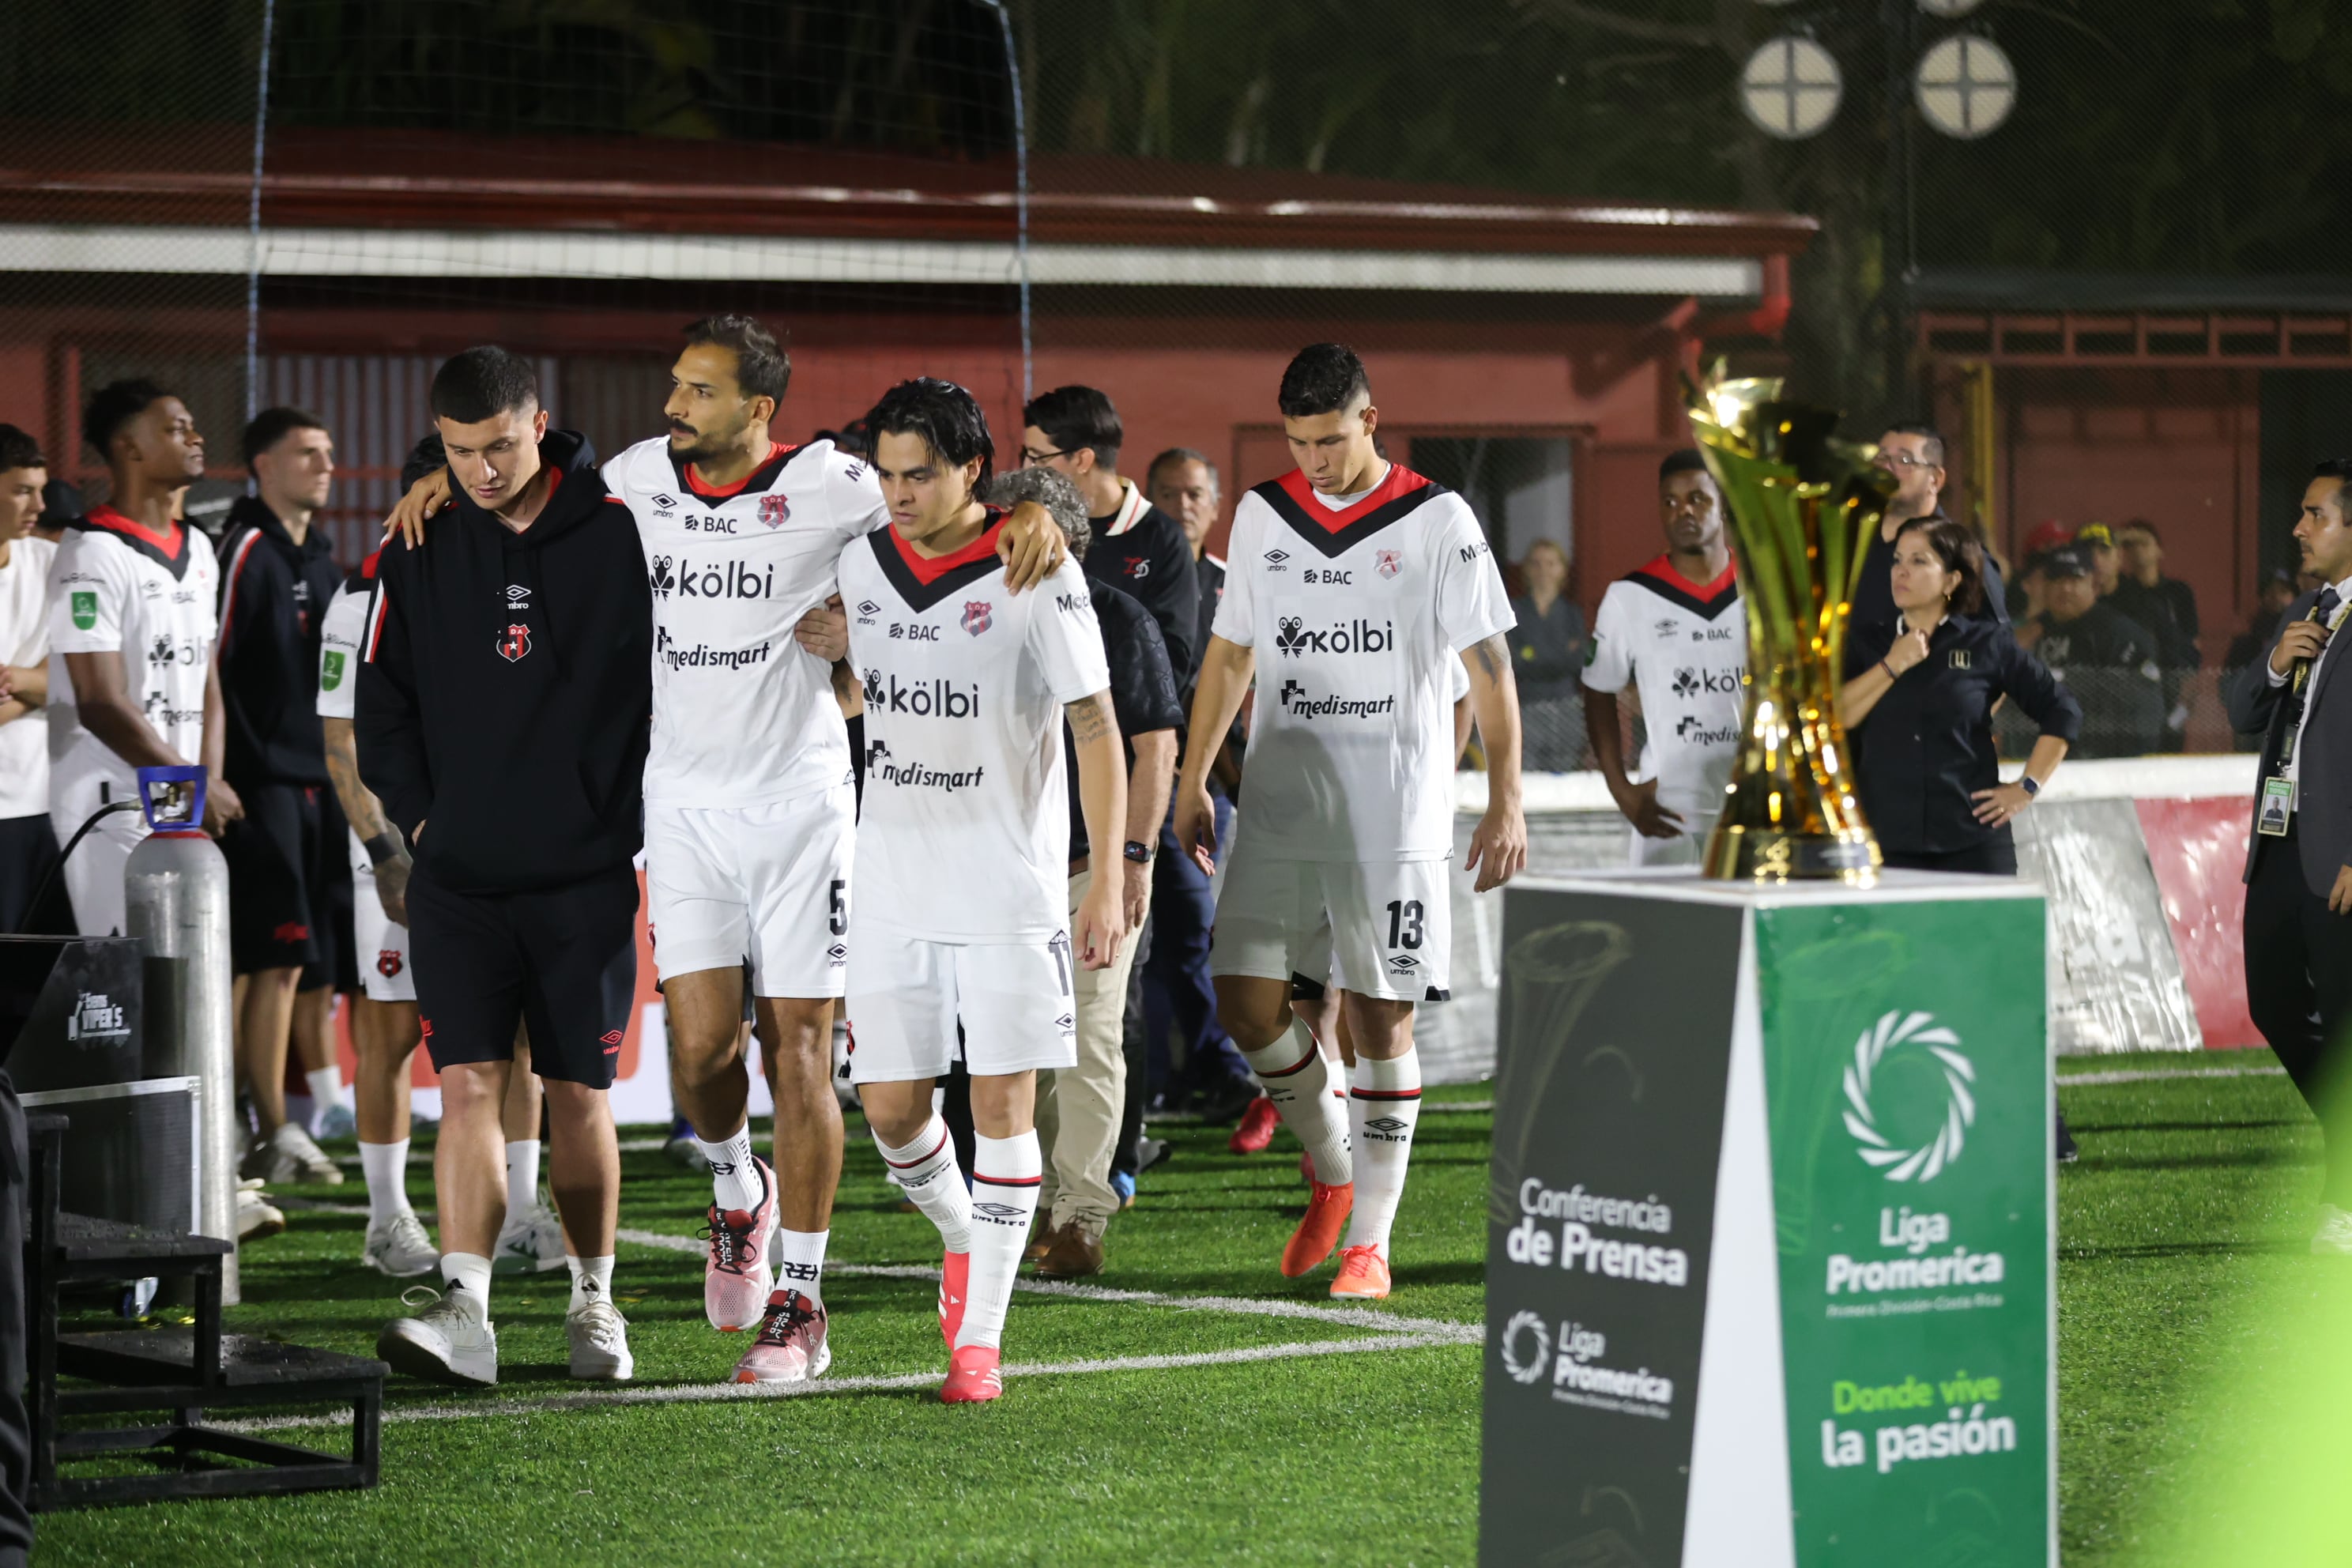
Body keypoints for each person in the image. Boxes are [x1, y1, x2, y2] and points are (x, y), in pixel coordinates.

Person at [392, 318, 1065, 1382]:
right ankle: (733, 1184)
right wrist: (434, 480)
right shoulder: (632, 480)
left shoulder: (835, 484)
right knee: (705, 1063)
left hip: (802, 806)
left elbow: (945, 498)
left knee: (798, 1051)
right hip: (684, 812)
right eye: (675, 385)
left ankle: (800, 1300)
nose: (674, 406)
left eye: (698, 392)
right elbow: (526, 487)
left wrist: (1032, 513)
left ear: (758, 411)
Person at [1174, 342, 1526, 1302]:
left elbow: (1488, 667)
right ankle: (1332, 1159)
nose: (1316, 460)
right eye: (1299, 442)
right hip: (1284, 807)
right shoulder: (1263, 516)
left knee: (1379, 1019)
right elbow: (1231, 653)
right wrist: (1193, 775)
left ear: (1371, 420)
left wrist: (1505, 795)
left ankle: (1369, 1240)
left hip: (1394, 818)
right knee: (1244, 1000)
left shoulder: (1437, 519)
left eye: (1330, 440)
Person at [358, 346, 650, 1385]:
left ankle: (593, 1307)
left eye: (497, 446)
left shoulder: (620, 527)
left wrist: (610, 814)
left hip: (583, 871)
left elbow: (658, 685)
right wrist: (425, 824)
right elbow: (378, 703)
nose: (481, 469)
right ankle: (467, 1314)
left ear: (540, 424)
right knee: (471, 1084)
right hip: (460, 875)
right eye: (458, 450)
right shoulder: (419, 537)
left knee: (577, 1093)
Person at [836, 377, 1127, 1402]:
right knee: (891, 1112)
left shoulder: (1034, 568)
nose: (900, 493)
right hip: (892, 882)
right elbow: (855, 674)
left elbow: (1096, 725)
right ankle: (966, 1236)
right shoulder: (859, 559)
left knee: (1004, 1112)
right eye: (888, 474)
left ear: (973, 471)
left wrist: (1103, 879)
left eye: (922, 474)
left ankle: (981, 1343)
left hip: (1010, 889)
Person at [1005, 464, 1179, 1280]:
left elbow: (1155, 746)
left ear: (1067, 542)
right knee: (1022, 1045)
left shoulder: (1119, 618)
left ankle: (1080, 1215)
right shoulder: (971, 618)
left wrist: (1130, 861)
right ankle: (1033, 1201)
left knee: (1091, 1036)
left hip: (1089, 865)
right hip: (1004, 866)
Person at [47, 380, 240, 940]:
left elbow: (208, 684)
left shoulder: (198, 547)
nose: (197, 437)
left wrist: (206, 783)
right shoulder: (90, 551)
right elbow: (100, 703)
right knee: (128, 986)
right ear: (129, 446)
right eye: (177, 429)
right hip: (111, 801)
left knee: (184, 982)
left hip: (178, 795)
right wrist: (193, 787)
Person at [216, 407, 349, 1187]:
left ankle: (276, 1118)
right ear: (263, 462)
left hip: (320, 784)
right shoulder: (244, 551)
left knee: (299, 963)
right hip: (256, 781)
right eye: (308, 452)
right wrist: (217, 773)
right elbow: (212, 667)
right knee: (263, 959)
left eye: (328, 452)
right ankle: (262, 1124)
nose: (325, 464)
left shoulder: (322, 558)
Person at [2225, 457, 2352, 1253]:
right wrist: (2276, 662)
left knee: (2343, 1023)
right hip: (2279, 843)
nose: (2299, 528)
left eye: (2314, 515)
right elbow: (2239, 706)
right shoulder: (2308, 609)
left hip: (2339, 853)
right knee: (2272, 1002)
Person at [1841, 517, 2082, 874]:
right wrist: (1892, 664)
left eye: (1918, 561)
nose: (1901, 572)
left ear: (1951, 580)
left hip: (1973, 843)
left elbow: (2062, 711)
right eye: (1897, 560)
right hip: (1886, 845)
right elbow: (1836, 717)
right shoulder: (1867, 643)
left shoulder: (1987, 643)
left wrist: (2027, 787)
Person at [1140, 447, 1256, 1120]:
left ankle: (1214, 1068)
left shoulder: (1232, 586)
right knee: (1145, 938)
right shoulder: (1126, 577)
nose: (1181, 506)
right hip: (1131, 781)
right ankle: (1172, 1074)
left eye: (1194, 494)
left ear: (1215, 507)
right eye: (1168, 493)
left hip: (1209, 784)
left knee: (1197, 929)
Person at [1581, 450, 1744, 866]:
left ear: (1723, 503)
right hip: (1670, 810)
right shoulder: (1629, 596)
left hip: (1752, 803)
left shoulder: (1762, 590)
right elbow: (1597, 691)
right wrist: (1623, 792)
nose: (1682, 510)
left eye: (1697, 498)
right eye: (1669, 502)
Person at [1022, 386, 1200, 680]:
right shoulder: (1033, 524)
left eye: (1039, 458)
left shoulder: (1162, 541)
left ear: (1082, 460)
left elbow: (1172, 662)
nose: (1027, 468)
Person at [1853, 422, 2007, 635]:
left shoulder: (1962, 554)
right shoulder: (1849, 544)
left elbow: (1995, 646)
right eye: (1881, 458)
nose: (1887, 468)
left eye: (1904, 460)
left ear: (1935, 479)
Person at [2015, 545, 2165, 757]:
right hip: (2046, 757)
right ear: (2045, 587)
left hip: (2108, 760)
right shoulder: (2033, 631)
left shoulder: (2118, 632)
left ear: (2094, 586)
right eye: (2058, 580)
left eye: (2075, 580)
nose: (2066, 588)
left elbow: (2140, 706)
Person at [0, 428, 61, 933]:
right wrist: (38, 683)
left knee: (39, 983)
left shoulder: (49, 562)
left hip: (45, 804)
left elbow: (95, 678)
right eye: (23, 490)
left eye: (40, 489)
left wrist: (17, 681)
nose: (39, 504)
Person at [2109, 519, 2202, 751]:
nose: (2138, 550)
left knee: (2170, 754)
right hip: (2131, 687)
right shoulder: (2121, 592)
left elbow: (2193, 645)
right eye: (2131, 545)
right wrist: (2118, 538)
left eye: (2145, 543)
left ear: (2160, 550)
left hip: (2171, 682)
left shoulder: (2178, 592)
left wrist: (2185, 705)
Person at [1507, 537, 1586, 770]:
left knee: (1565, 780)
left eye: (1551, 563)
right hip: (1526, 707)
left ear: (1563, 570)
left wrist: (1533, 656)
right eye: (1536, 563)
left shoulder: (1573, 614)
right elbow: (1513, 664)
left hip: (1566, 710)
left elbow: (1578, 661)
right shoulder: (1513, 612)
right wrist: (1559, 656)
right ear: (1526, 569)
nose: (1543, 570)